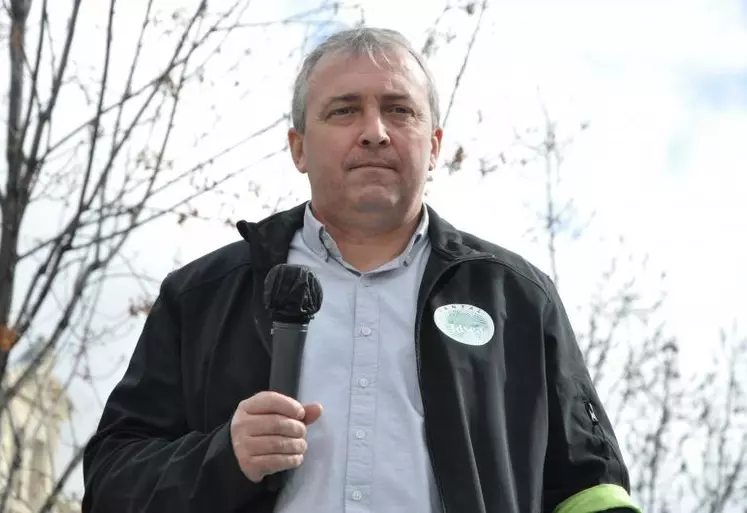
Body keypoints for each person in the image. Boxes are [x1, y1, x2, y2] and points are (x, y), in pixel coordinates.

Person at [82, 27, 642, 513]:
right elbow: (110, 483)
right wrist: (224, 457)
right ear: (298, 148)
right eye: (344, 110)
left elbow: (589, 489)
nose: (374, 130)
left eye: (399, 109)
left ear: (434, 145)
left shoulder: (518, 299)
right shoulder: (204, 295)